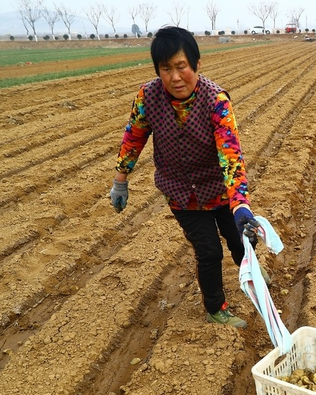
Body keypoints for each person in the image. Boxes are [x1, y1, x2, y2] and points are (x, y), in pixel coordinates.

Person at [108, 26, 263, 329]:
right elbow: (133, 138)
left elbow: (231, 155)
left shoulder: (216, 101)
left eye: (181, 67)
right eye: (166, 69)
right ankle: (216, 309)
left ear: (196, 64)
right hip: (180, 193)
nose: (175, 77)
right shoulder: (148, 97)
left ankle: (252, 272)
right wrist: (120, 181)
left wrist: (240, 204)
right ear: (158, 70)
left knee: (239, 238)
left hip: (218, 189)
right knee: (209, 251)